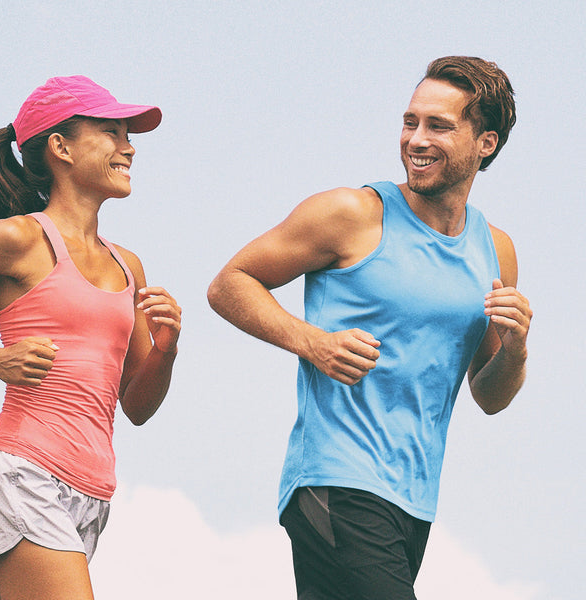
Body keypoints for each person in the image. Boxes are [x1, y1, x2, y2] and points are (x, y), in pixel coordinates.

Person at [207, 56, 532, 599]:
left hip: (415, 500)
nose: (416, 140)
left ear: (487, 143)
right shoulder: (352, 213)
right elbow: (230, 283)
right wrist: (312, 342)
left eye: (439, 126)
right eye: (410, 122)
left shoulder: (495, 251)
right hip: (337, 479)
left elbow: (489, 395)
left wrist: (517, 349)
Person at [0, 75, 181, 600]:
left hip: (92, 492)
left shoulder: (128, 265)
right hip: (24, 472)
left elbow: (136, 406)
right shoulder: (15, 239)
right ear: (60, 147)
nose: (128, 146)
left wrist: (166, 349)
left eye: (127, 134)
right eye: (111, 132)